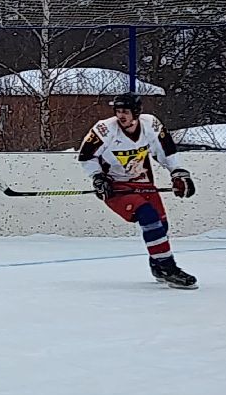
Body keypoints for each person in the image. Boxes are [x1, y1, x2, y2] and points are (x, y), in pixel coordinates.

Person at [78, 92, 198, 289]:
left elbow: (166, 151)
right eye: (118, 111)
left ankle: (158, 265)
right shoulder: (105, 129)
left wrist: (177, 173)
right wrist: (98, 178)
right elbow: (86, 157)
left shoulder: (150, 124)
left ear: (136, 112)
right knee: (148, 217)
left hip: (144, 184)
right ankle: (169, 268)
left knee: (161, 225)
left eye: (125, 111)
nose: (121, 116)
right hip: (116, 187)